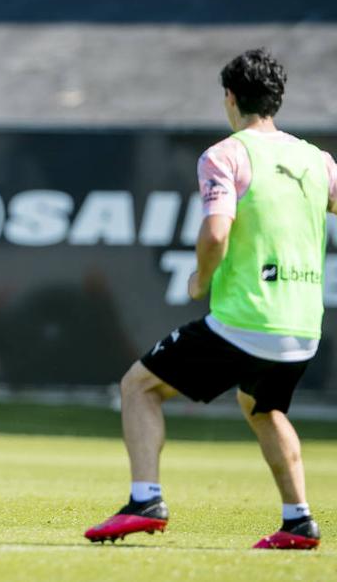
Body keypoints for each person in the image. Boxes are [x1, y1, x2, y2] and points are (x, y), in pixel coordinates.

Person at [85, 49, 335, 550]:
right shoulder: (319, 160)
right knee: (262, 406)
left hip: (248, 318)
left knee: (138, 386)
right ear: (276, 100)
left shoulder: (226, 155)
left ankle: (145, 500)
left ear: (229, 98)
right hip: (304, 327)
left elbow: (216, 234)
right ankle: (299, 520)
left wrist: (201, 278)